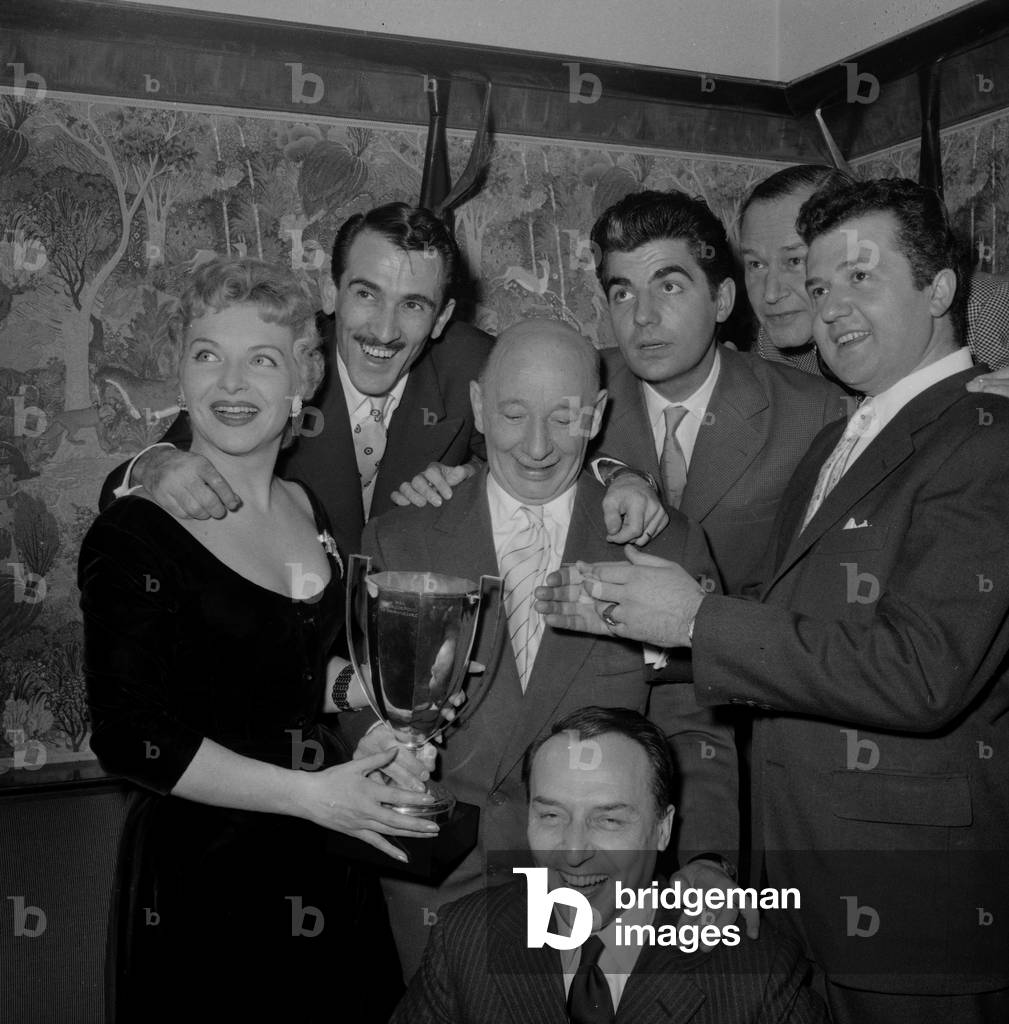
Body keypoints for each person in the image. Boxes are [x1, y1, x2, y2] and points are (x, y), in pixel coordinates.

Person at [537, 178, 1009, 1023]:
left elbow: (921, 671)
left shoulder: (986, 437)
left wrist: (692, 618)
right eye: (818, 285)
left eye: (860, 278)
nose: (828, 307)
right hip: (798, 878)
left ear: (938, 290)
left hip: (910, 904)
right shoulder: (844, 433)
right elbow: (801, 622)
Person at [80, 258, 439, 1023]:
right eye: (207, 355)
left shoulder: (307, 507)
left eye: (262, 361)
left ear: (303, 382)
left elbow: (298, 670)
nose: (231, 385)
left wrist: (377, 711)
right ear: (180, 375)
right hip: (200, 877)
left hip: (326, 855)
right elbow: (126, 736)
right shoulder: (135, 530)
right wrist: (310, 796)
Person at [362, 319, 741, 979]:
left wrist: (706, 860)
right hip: (437, 881)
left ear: (594, 416)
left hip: (595, 878)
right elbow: (360, 702)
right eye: (512, 414)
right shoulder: (401, 538)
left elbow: (693, 727)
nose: (536, 447)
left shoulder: (667, 547)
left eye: (563, 418)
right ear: (478, 406)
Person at [98, 202, 494, 558]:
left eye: (412, 304)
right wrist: (154, 465)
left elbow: (543, 462)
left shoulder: (475, 363)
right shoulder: (283, 355)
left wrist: (475, 482)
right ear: (330, 292)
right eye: (366, 295)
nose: (385, 331)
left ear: (441, 317)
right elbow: (147, 470)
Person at [392, 706, 829, 1024]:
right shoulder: (463, 939)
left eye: (609, 820)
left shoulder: (755, 971)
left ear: (662, 829)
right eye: (551, 815)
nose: (574, 851)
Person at [587, 188, 847, 596]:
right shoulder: (580, 387)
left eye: (669, 287)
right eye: (623, 293)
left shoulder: (815, 413)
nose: (642, 315)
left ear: (722, 301)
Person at [740, 163, 1009, 382]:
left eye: (794, 260)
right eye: (756, 265)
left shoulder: (987, 309)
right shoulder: (773, 348)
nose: (771, 293)